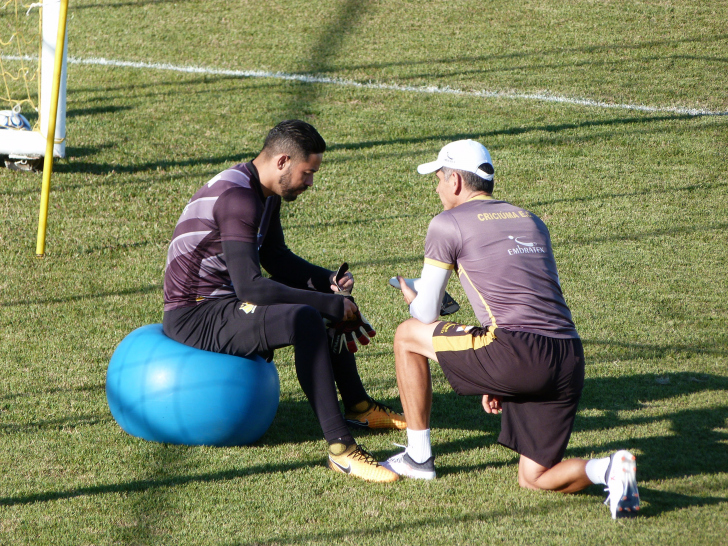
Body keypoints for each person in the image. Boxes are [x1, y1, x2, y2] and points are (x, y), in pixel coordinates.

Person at [381, 139, 640, 518]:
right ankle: (610, 468)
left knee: (406, 335)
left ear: (455, 181)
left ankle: (418, 458)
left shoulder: (446, 223)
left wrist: (411, 294)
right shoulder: (531, 219)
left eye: (438, 178)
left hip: (515, 353)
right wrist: (498, 378)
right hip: (567, 357)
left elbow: (425, 314)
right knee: (534, 477)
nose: (436, 188)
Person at [163, 120, 404, 483]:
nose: (310, 183)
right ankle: (341, 450)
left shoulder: (262, 192)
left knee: (323, 300)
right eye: (307, 173)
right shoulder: (239, 199)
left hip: (224, 301)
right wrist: (326, 306)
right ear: (283, 161)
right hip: (195, 314)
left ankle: (359, 407)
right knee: (307, 318)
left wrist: (327, 283)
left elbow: (275, 257)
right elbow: (251, 288)